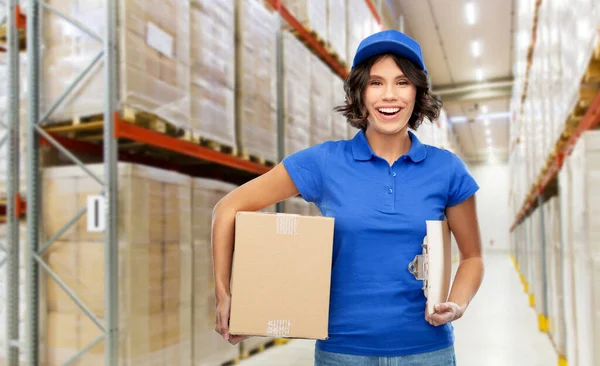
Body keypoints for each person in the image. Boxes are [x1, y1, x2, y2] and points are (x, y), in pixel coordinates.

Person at [212, 29, 484, 366]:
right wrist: (226, 295)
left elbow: (472, 257)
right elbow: (228, 208)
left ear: (417, 91)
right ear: (359, 92)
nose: (389, 95)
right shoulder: (325, 163)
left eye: (402, 82)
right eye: (376, 82)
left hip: (428, 351)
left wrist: (456, 305)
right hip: (343, 353)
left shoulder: (446, 168)